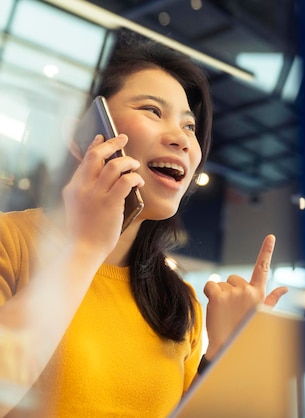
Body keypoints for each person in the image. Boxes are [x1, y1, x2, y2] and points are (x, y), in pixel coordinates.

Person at [0, 31, 287, 416]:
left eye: (189, 126)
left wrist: (225, 353)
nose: (184, 140)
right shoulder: (10, 241)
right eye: (153, 110)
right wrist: (84, 249)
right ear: (83, 134)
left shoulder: (179, 301)